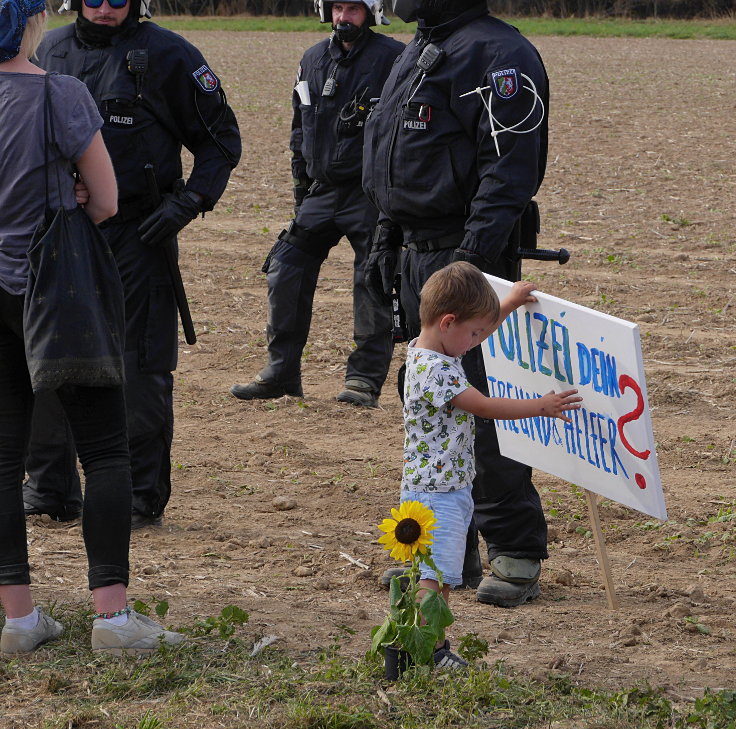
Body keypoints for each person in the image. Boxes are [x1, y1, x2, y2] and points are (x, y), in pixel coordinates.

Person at [0, 1, 183, 654]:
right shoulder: (61, 92)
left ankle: (19, 619)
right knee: (105, 451)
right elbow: (105, 201)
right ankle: (112, 617)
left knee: (4, 458)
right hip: (55, 292)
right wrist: (65, 191)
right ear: (28, 24)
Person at [22, 0, 241, 529]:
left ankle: (140, 496)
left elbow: (220, 141)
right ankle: (50, 487)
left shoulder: (169, 55)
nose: (103, 8)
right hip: (61, 233)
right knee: (47, 357)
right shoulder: (48, 51)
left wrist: (187, 203)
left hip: (140, 235)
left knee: (140, 369)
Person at [363, 0, 553, 606]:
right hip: (417, 255)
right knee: (428, 406)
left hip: (469, 260)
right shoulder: (417, 48)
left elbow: (509, 173)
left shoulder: (502, 54)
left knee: (481, 405)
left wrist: (468, 266)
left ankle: (515, 551)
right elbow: (391, 157)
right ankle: (443, 556)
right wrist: (384, 239)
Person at [396, 262, 581, 667]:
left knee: (437, 574)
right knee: (433, 578)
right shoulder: (437, 370)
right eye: (474, 333)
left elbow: (474, 333)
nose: (477, 341)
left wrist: (508, 304)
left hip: (438, 485)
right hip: (438, 493)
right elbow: (485, 407)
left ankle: (426, 645)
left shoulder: (426, 349)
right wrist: (541, 406)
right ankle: (425, 651)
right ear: (448, 323)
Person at [229, 0, 403, 409]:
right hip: (321, 193)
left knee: (373, 278)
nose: (344, 17)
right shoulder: (311, 59)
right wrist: (300, 193)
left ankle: (363, 380)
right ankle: (281, 372)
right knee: (286, 267)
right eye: (338, 8)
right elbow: (298, 128)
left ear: (373, 11)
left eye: (354, 9)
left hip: (370, 194)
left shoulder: (395, 58)